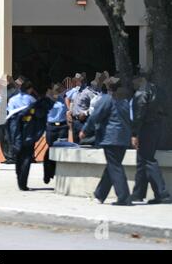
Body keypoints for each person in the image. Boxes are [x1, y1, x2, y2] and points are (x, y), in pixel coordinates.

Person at [80, 78, 132, 206]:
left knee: (114, 167)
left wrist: (85, 130)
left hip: (111, 138)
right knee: (112, 166)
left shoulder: (107, 99)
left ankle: (124, 197)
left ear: (108, 88)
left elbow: (95, 116)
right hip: (123, 138)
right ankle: (99, 195)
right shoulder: (125, 102)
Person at [131, 72, 172, 204]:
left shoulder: (141, 93)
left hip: (146, 128)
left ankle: (163, 194)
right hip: (157, 127)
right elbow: (165, 109)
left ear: (140, 79)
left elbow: (138, 115)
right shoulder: (158, 90)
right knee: (142, 160)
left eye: (135, 80)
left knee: (147, 160)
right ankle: (138, 193)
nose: (133, 83)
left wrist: (134, 134)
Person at [8, 83, 53, 191]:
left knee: (18, 155)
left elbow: (9, 115)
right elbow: (38, 115)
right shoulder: (31, 99)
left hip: (15, 131)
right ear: (30, 89)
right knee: (27, 156)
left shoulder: (12, 100)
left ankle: (19, 176)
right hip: (28, 131)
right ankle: (23, 182)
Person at [43, 83, 69, 184]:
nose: (58, 90)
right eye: (56, 89)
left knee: (62, 149)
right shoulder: (48, 99)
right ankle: (48, 173)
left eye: (59, 89)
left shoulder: (63, 99)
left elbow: (67, 108)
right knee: (50, 149)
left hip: (62, 126)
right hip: (51, 126)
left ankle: (59, 172)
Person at [0, 75, 28, 165]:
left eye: (19, 82)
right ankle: (8, 156)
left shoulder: (19, 92)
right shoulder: (10, 90)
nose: (17, 82)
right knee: (3, 137)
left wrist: (12, 82)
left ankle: (12, 157)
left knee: (9, 137)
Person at [70, 74, 98, 144]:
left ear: (82, 81)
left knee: (84, 143)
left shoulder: (89, 92)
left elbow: (96, 105)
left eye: (77, 80)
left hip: (83, 121)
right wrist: (70, 111)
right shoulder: (76, 91)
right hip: (75, 121)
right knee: (75, 145)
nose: (75, 82)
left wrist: (86, 113)